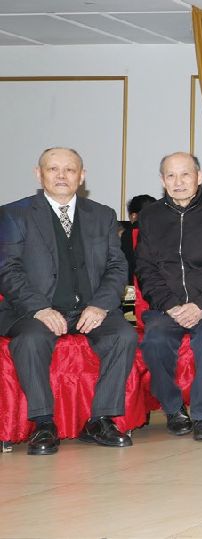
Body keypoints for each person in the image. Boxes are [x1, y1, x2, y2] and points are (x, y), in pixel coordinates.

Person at [0, 147, 135, 455]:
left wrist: (100, 305)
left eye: (70, 170)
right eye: (53, 169)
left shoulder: (102, 214)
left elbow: (117, 266)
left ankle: (100, 420)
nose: (61, 176)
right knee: (31, 340)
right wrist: (39, 309)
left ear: (82, 176)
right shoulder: (14, 214)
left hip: (89, 307)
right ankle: (43, 423)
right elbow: (8, 269)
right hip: (34, 309)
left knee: (123, 336)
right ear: (39, 174)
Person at [136, 152, 202, 441]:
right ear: (162, 180)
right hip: (166, 306)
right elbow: (145, 269)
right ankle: (173, 409)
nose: (178, 181)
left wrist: (200, 306)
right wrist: (170, 305)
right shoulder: (150, 217)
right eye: (171, 175)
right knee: (154, 340)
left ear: (199, 177)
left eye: (186, 174)